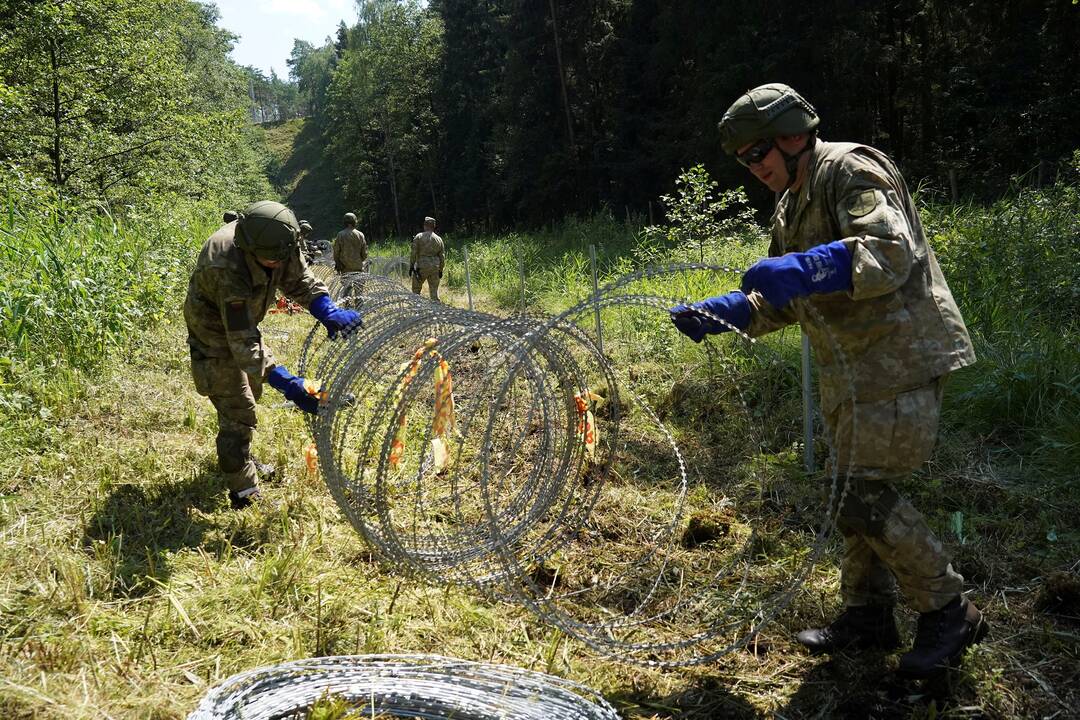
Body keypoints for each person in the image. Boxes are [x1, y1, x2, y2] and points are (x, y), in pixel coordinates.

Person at [670, 83, 987, 678]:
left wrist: (807, 265)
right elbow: (784, 299)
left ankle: (949, 610)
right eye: (743, 160)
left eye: (756, 153)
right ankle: (867, 617)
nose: (752, 168)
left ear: (792, 137)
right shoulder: (790, 204)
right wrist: (730, 311)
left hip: (898, 356)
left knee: (864, 492)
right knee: (848, 490)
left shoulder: (849, 169)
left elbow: (891, 252)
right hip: (853, 367)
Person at [185, 201, 362, 509]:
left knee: (252, 390)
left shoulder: (281, 239)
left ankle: (243, 457)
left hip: (244, 322)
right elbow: (242, 343)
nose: (278, 263)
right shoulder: (226, 267)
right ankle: (243, 489)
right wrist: (288, 383)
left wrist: (326, 309)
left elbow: (298, 279)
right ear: (250, 249)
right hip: (212, 332)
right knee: (238, 408)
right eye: (270, 260)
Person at [410, 216, 445, 301]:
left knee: (416, 290)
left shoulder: (419, 236)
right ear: (433, 226)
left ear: (425, 225)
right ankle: (436, 310)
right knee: (434, 293)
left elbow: (413, 253)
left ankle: (417, 308)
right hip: (435, 268)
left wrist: (411, 266)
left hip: (421, 267)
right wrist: (440, 269)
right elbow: (442, 257)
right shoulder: (439, 239)